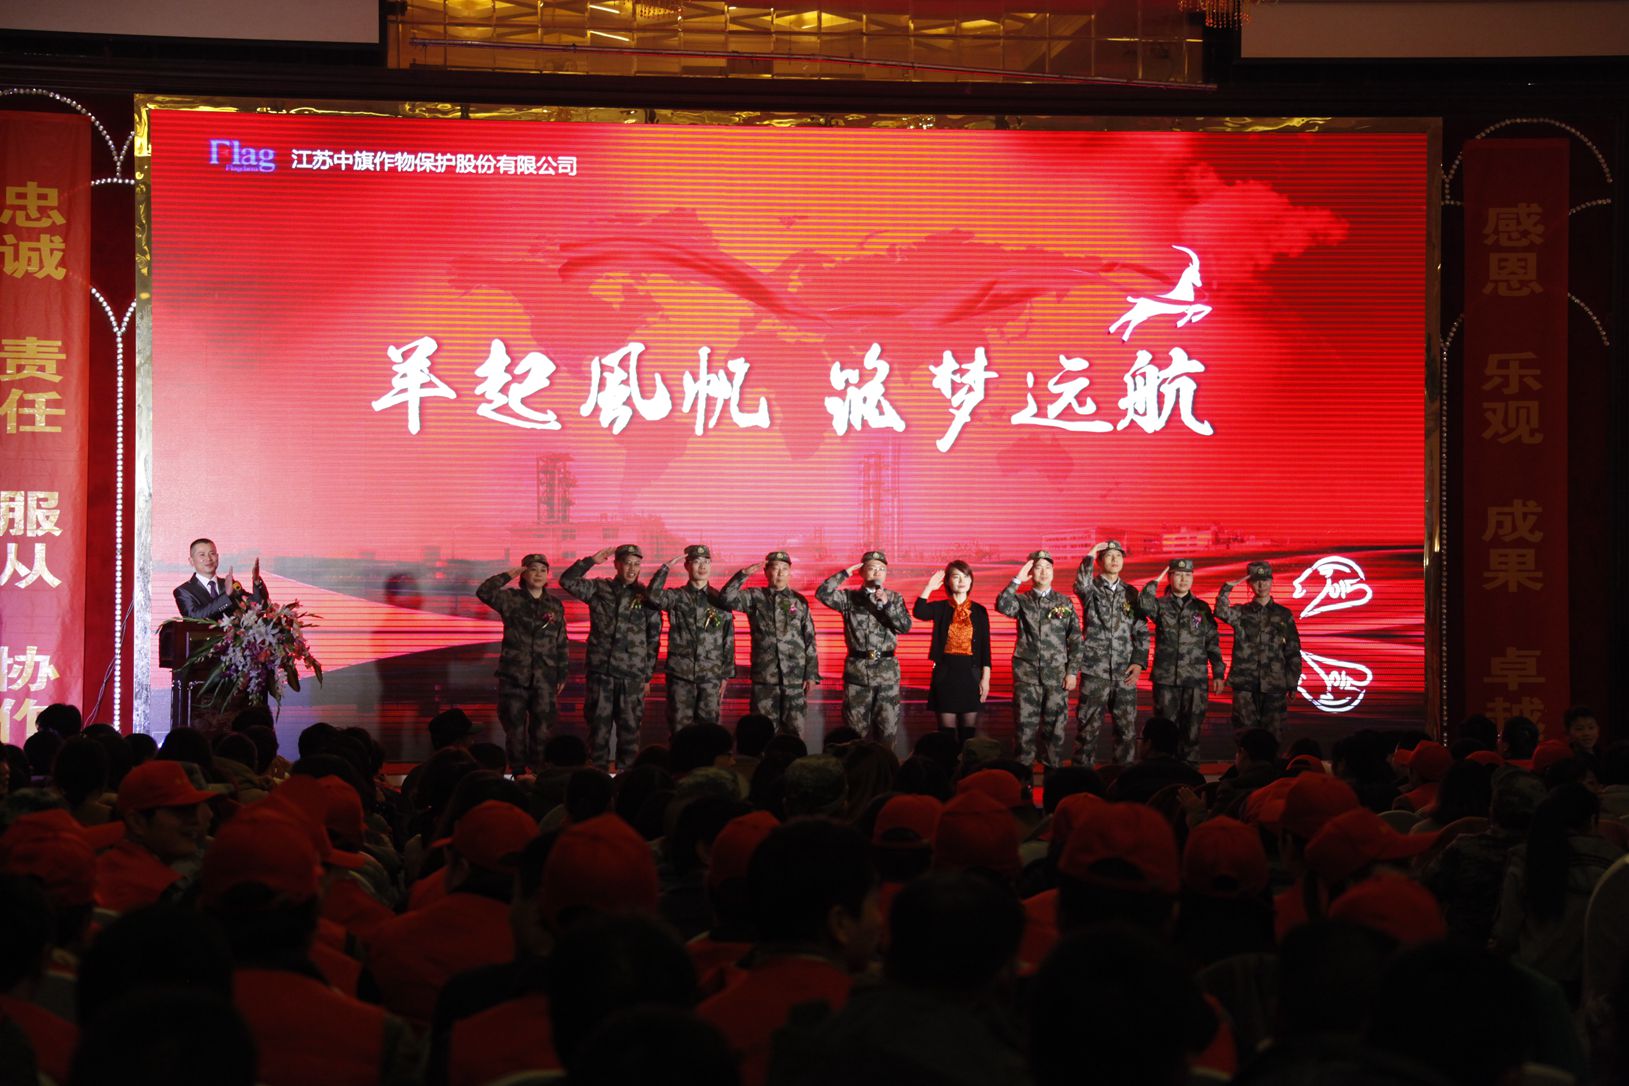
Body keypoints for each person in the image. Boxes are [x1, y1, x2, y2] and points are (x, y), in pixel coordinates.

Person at [560, 545, 663, 770]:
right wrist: (590, 561)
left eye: (637, 564)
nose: (632, 568)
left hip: (632, 675)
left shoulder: (647, 597)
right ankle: (598, 777)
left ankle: (627, 777)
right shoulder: (599, 589)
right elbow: (567, 581)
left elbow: (653, 638)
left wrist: (647, 676)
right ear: (616, 564)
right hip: (602, 672)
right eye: (627, 563)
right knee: (598, 729)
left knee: (630, 731)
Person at [474, 553, 568, 774]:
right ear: (524, 574)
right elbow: (484, 591)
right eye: (533, 569)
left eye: (543, 570)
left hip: (545, 678)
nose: (538, 574)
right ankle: (518, 774)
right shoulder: (510, 599)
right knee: (514, 729)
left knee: (542, 730)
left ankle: (537, 774)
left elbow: (561, 641)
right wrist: (509, 574)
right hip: (514, 676)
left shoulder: (555, 604)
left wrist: (562, 673)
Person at [996, 551, 1082, 770]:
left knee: (1055, 731)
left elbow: (1075, 639)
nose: (1043, 572)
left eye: (1047, 567)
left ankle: (1053, 779)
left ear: (1053, 572)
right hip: (1027, 675)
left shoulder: (1064, 601)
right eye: (1038, 567)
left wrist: (1072, 671)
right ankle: (1022, 780)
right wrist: (1017, 580)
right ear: (1031, 572)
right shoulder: (1021, 600)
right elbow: (1002, 605)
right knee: (1024, 729)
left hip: (1057, 676)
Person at [816, 551, 912, 746]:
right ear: (862, 572)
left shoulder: (894, 597)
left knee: (887, 731)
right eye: (872, 568)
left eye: (881, 569)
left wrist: (887, 604)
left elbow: (905, 626)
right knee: (854, 732)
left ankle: (885, 765)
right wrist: (845, 573)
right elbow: (822, 593)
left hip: (887, 674)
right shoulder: (849, 598)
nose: (877, 572)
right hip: (858, 673)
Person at [719, 552, 820, 737]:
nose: (780, 573)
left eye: (784, 569)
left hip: (795, 678)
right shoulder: (754, 597)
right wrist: (743, 574)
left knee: (794, 732)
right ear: (766, 572)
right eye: (775, 568)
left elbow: (809, 638)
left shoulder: (799, 601)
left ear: (790, 572)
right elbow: (726, 598)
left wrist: (811, 674)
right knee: (762, 733)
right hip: (765, 677)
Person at [1138, 558, 1226, 766]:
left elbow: (1212, 642)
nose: (1183, 579)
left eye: (1188, 575)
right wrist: (1155, 581)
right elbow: (1143, 604)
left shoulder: (1201, 608)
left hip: (1195, 680)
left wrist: (1218, 673)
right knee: (1163, 732)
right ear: (1170, 577)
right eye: (1178, 574)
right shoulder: (1160, 605)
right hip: (1166, 679)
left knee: (1192, 729)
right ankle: (1164, 773)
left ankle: (1189, 773)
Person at [1073, 540, 1149, 766]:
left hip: (1124, 672)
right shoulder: (1091, 588)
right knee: (1087, 731)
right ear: (1099, 561)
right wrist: (1090, 554)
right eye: (1109, 555)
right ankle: (1082, 778)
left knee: (1126, 732)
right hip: (1094, 671)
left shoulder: (1131, 593)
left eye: (1118, 555)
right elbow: (1080, 583)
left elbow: (1141, 630)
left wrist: (1139, 662)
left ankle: (1123, 779)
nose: (1115, 560)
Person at [646, 545, 736, 734]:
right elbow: (652, 597)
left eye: (706, 562)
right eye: (697, 562)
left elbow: (728, 638)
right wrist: (665, 568)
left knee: (709, 731)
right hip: (681, 675)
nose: (702, 567)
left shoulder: (719, 600)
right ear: (687, 566)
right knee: (679, 729)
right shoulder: (676, 597)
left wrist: (725, 675)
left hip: (710, 676)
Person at [1215, 560, 1303, 739]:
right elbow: (1220, 611)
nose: (1261, 585)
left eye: (1265, 580)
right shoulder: (1241, 612)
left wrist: (1292, 682)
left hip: (1274, 685)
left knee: (1273, 735)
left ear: (1271, 581)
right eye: (1256, 581)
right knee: (1244, 735)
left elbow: (1293, 650)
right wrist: (1226, 589)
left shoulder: (1283, 614)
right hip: (1245, 685)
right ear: (1249, 584)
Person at [913, 560, 992, 745]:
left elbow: (985, 648)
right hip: (945, 674)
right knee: (945, 735)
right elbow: (919, 611)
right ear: (948, 582)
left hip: (971, 674)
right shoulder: (940, 607)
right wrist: (929, 587)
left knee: (968, 734)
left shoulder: (980, 611)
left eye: (966, 576)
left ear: (971, 580)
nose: (961, 581)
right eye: (956, 577)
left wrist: (985, 679)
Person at [172, 537, 267, 619]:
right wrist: (227, 596)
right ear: (191, 561)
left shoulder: (229, 584)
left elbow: (258, 606)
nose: (208, 558)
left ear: (217, 557)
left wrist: (256, 582)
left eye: (212, 553)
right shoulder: (183, 591)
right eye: (202, 555)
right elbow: (194, 617)